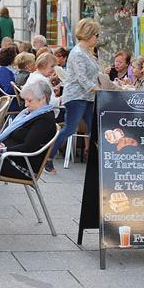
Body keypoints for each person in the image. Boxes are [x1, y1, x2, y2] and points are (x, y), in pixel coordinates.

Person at [45, 18, 100, 173]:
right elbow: (82, 77)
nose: (97, 37)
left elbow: (92, 74)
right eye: (97, 34)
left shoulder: (87, 52)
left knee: (94, 129)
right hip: (77, 97)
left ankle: (100, 162)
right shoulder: (77, 53)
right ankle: (48, 158)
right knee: (69, 129)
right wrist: (96, 88)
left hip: (87, 96)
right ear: (90, 35)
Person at [0, 80, 56, 180]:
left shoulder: (45, 119)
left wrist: (1, 150)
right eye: (25, 100)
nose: (26, 105)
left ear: (43, 98)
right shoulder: (30, 113)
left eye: (29, 101)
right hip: (10, 156)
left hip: (23, 165)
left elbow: (28, 147)